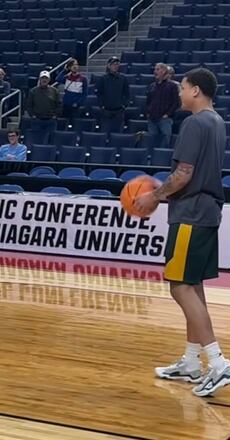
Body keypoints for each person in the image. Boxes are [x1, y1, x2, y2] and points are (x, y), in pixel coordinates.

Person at [134, 68, 229, 397]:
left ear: (197, 91)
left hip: (190, 213)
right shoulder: (217, 122)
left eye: (184, 87)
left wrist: (153, 197)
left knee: (179, 286)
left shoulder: (194, 123)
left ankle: (218, 362)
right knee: (193, 286)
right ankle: (192, 362)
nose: (179, 93)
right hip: (208, 212)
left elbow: (183, 174)